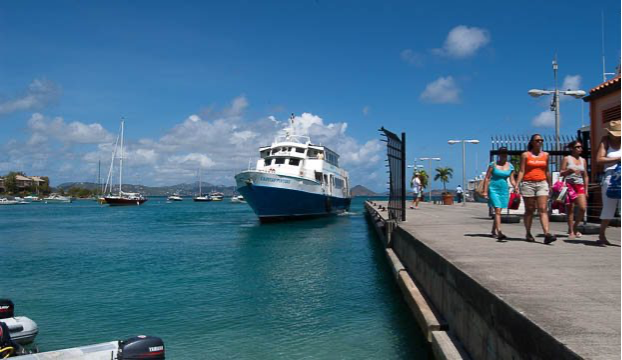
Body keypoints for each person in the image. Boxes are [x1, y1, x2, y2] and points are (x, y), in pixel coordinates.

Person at [517, 134, 557, 244]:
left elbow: (547, 170)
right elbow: (521, 170)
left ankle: (547, 234)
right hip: (528, 183)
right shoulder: (525, 155)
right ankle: (528, 232)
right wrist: (517, 184)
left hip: (542, 183)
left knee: (543, 208)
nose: (539, 142)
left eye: (541, 140)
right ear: (532, 142)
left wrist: (550, 184)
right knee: (530, 209)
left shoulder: (546, 155)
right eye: (537, 140)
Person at [483, 147, 518, 241]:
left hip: (503, 189)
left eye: (505, 153)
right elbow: (487, 178)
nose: (504, 155)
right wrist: (485, 191)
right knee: (497, 209)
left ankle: (493, 231)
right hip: (493, 188)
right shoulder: (493, 165)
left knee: (498, 211)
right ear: (499, 154)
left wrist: (515, 186)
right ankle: (499, 232)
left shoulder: (510, 166)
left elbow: (512, 179)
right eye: (502, 153)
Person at [596, 120, 621, 245]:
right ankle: (602, 234)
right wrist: (618, 159)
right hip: (611, 177)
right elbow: (599, 159)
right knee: (609, 207)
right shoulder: (605, 141)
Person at [560, 140, 589, 240]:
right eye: (577, 147)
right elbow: (561, 173)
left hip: (579, 185)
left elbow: (585, 176)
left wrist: (586, 189)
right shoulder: (567, 159)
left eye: (580, 147)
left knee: (582, 208)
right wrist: (568, 171)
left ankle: (576, 226)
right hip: (569, 185)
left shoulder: (583, 160)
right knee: (570, 209)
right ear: (572, 148)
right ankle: (571, 230)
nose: (580, 149)